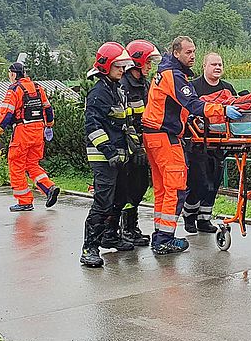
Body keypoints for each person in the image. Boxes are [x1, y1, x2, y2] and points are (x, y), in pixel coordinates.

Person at [141, 36, 242, 254]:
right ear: (176, 53)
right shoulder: (173, 76)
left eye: (194, 51)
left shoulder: (165, 73)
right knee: (176, 189)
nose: (193, 56)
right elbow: (193, 104)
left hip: (155, 136)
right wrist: (222, 110)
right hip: (165, 137)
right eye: (188, 52)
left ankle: (160, 235)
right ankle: (164, 239)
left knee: (162, 189)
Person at [81, 42, 136, 268]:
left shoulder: (116, 89)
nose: (122, 70)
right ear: (105, 66)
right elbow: (92, 127)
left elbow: (124, 122)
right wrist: (109, 151)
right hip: (103, 157)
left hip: (119, 154)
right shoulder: (99, 93)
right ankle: (89, 248)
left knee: (121, 198)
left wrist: (136, 148)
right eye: (118, 66)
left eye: (123, 66)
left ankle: (109, 236)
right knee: (103, 202)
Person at [0, 62, 61, 212]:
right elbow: (47, 108)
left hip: (22, 131)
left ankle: (24, 202)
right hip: (38, 131)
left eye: (9, 74)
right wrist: (49, 125)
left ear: (13, 74)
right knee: (32, 164)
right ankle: (49, 188)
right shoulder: (38, 87)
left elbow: (7, 113)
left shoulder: (14, 90)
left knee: (16, 165)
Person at [184, 52, 237, 234]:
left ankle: (204, 219)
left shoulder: (228, 88)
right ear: (204, 67)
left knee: (213, 184)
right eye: (213, 64)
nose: (217, 67)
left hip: (219, 143)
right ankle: (189, 217)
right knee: (199, 182)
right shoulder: (194, 87)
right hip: (198, 143)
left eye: (220, 64)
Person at [119, 39, 161, 247]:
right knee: (129, 187)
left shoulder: (143, 83)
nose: (150, 66)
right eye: (147, 62)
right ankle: (126, 227)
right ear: (137, 61)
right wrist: (136, 147)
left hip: (144, 142)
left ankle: (131, 226)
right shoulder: (125, 85)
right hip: (130, 145)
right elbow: (127, 121)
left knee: (140, 185)